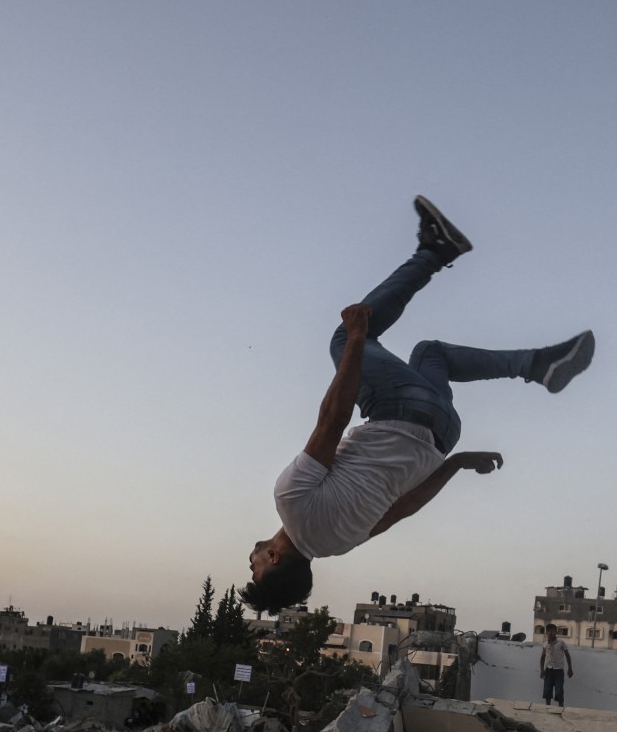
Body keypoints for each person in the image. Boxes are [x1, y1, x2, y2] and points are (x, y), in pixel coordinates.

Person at [244, 197, 596, 613]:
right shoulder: (291, 501)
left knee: (432, 352)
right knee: (341, 340)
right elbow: (332, 421)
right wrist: (356, 337)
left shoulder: (340, 544)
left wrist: (457, 462)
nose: (250, 560)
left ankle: (539, 365)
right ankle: (436, 250)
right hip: (399, 410)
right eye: (254, 570)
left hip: (443, 433)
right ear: (273, 558)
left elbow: (405, 507)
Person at [540, 628, 574, 707]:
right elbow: (542, 657)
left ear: (556, 632)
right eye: (548, 631)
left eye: (552, 630)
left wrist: (570, 668)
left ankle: (560, 709)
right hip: (548, 670)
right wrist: (542, 670)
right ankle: (547, 708)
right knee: (547, 691)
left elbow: (567, 655)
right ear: (546, 633)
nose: (550, 632)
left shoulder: (561, 643)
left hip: (558, 671)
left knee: (559, 692)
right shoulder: (545, 644)